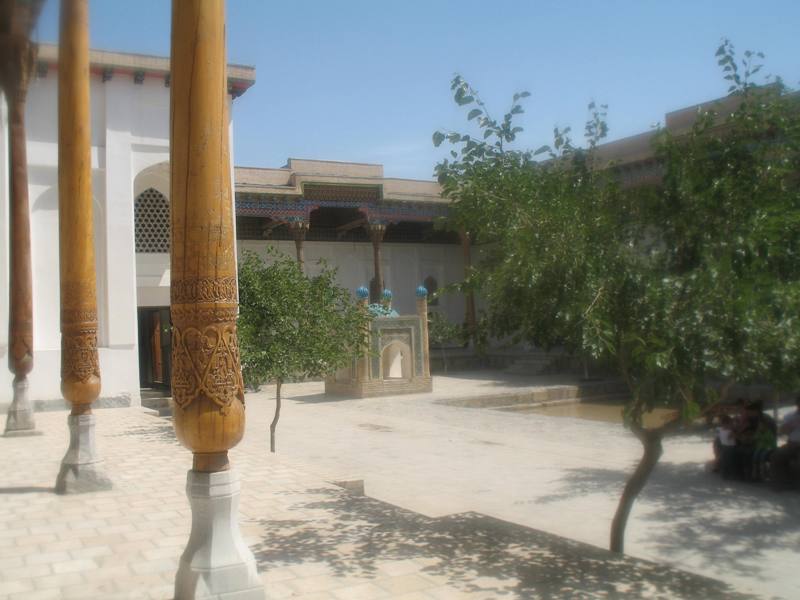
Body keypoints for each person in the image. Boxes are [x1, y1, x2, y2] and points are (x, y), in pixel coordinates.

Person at [771, 396, 800, 490]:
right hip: (791, 444)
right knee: (776, 456)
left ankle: (796, 484)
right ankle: (779, 483)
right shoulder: (790, 416)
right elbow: (781, 432)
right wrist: (790, 426)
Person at [716, 414, 738, 479]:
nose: (732, 425)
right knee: (730, 461)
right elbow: (733, 437)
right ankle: (731, 474)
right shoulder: (730, 431)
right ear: (727, 424)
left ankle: (725, 474)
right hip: (730, 447)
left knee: (724, 461)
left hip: (724, 447)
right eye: (730, 423)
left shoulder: (720, 430)